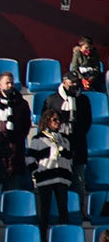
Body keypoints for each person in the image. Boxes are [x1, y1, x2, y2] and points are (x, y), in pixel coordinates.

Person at [43, 70, 92, 208]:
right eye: (72, 82)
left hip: (78, 146)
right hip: (58, 148)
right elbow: (45, 122)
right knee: (60, 182)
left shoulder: (83, 100)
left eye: (77, 82)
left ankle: (79, 210)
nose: (75, 84)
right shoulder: (52, 100)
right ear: (64, 81)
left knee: (79, 182)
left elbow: (87, 122)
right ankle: (61, 211)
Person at [26, 110, 73, 242]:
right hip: (45, 178)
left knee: (63, 212)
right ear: (47, 121)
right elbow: (29, 159)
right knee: (44, 212)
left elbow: (69, 157)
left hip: (62, 178)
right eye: (54, 120)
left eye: (58, 120)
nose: (57, 122)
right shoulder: (38, 139)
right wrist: (37, 172)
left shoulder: (65, 139)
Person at [0, 71, 33, 190]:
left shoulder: (22, 104)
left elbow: (26, 125)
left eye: (12, 83)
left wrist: (17, 138)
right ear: (0, 85)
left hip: (15, 152)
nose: (10, 86)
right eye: (7, 83)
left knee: (13, 188)